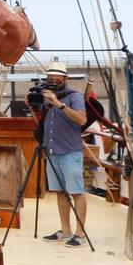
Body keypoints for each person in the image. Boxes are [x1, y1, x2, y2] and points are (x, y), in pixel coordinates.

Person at [35, 64, 91, 245]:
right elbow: (41, 123)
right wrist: (32, 106)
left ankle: (80, 233)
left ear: (65, 79)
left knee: (76, 192)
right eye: (50, 80)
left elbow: (82, 119)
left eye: (57, 80)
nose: (53, 83)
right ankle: (65, 230)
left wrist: (58, 104)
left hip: (70, 152)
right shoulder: (46, 98)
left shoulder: (74, 97)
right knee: (60, 192)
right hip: (52, 152)